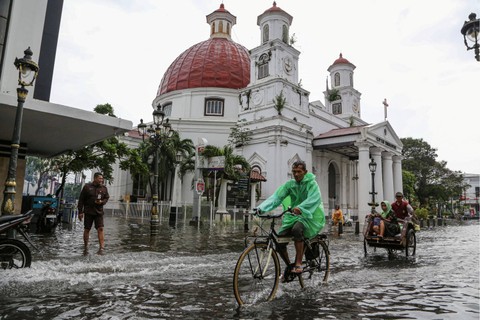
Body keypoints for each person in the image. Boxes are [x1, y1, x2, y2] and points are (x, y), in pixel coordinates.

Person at [255, 160, 325, 274]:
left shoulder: (311, 183)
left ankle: (298, 263)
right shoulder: (289, 185)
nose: (296, 174)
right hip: (293, 215)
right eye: (294, 171)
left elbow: (314, 198)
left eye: (299, 171)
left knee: (297, 229)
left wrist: (301, 208)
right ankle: (289, 266)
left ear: (305, 172)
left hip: (310, 215)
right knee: (279, 241)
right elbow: (277, 197)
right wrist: (261, 208)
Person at [78, 172, 109, 253]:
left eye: (102, 179)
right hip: (88, 212)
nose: (101, 180)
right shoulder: (87, 187)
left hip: (99, 212)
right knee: (87, 229)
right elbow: (81, 200)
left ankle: (102, 247)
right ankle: (86, 246)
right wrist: (80, 212)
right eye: (100, 178)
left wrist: (102, 201)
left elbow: (107, 197)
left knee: (101, 229)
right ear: (95, 178)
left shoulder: (104, 188)